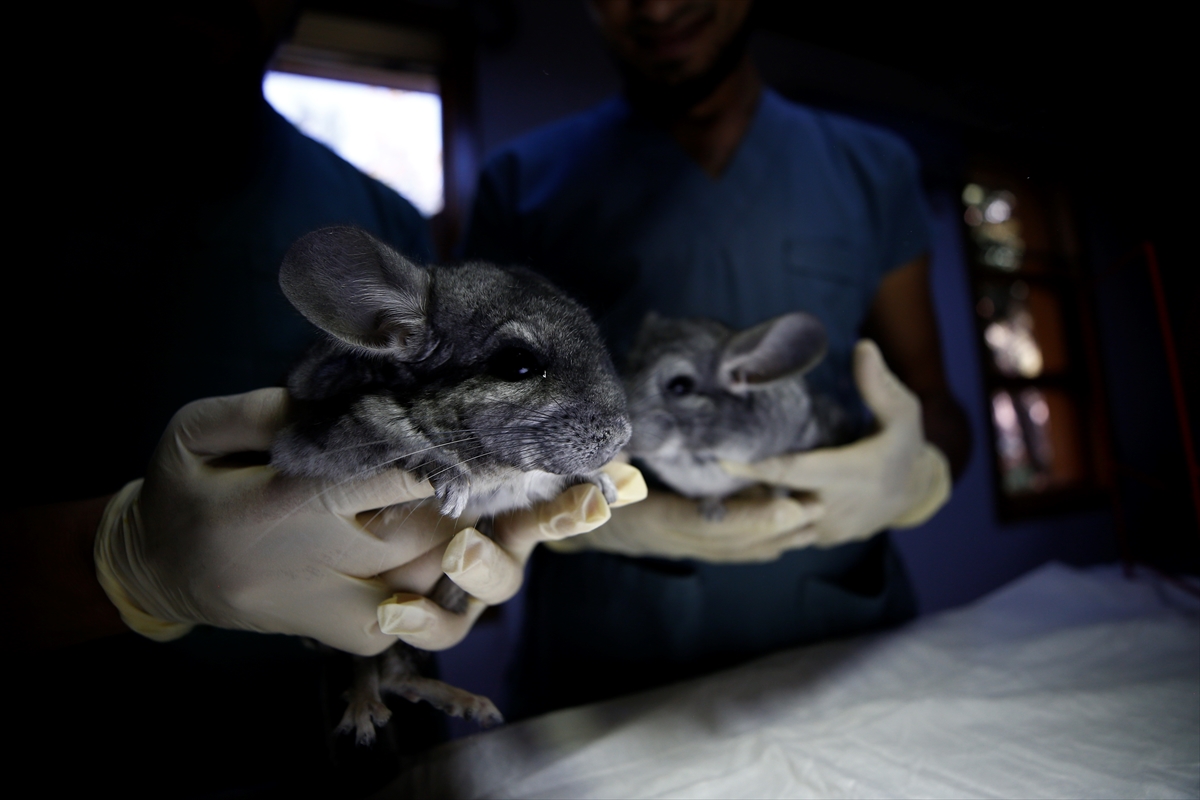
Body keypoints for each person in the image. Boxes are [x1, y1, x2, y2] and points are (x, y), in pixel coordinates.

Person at [3, 3, 643, 794]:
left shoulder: (379, 216)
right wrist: (126, 562)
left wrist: (492, 543)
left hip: (352, 731)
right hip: (85, 716)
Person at [463, 0, 972, 716]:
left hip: (837, 638)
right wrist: (575, 517)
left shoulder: (872, 170)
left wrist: (919, 474)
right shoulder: (521, 182)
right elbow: (475, 422)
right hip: (609, 651)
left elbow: (937, 400)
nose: (659, 6)